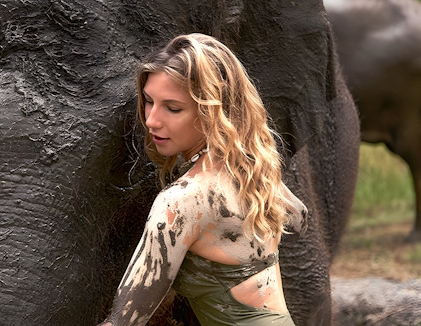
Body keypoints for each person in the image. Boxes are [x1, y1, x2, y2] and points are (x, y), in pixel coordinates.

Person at [99, 34, 308, 326]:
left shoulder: (182, 202)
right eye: (148, 101)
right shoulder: (252, 170)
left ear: (212, 111)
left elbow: (125, 321)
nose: (151, 120)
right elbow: (299, 217)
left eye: (173, 108)